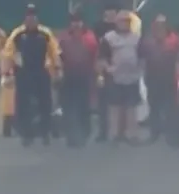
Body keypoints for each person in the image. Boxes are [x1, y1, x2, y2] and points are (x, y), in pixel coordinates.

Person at [2, 4, 60, 146]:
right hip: (23, 72)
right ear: (25, 18)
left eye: (33, 16)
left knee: (45, 103)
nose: (31, 19)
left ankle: (45, 133)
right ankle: (26, 135)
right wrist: (7, 73)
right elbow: (8, 54)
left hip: (41, 71)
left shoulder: (45, 33)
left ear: (37, 18)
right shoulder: (17, 34)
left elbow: (55, 52)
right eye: (29, 16)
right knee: (23, 105)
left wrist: (58, 70)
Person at [98, 10, 143, 144]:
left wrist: (140, 69)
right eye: (122, 21)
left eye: (127, 21)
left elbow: (142, 56)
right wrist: (108, 68)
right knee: (114, 107)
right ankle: (115, 135)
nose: (125, 23)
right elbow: (102, 57)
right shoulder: (108, 38)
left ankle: (132, 135)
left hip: (132, 77)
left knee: (131, 107)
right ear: (117, 22)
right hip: (115, 78)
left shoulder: (136, 38)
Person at [57, 12, 98, 147]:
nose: (76, 24)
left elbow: (95, 56)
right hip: (68, 77)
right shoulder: (63, 37)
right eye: (74, 21)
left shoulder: (90, 37)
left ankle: (85, 133)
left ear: (82, 22)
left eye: (78, 21)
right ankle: (71, 136)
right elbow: (57, 55)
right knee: (68, 108)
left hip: (85, 77)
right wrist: (58, 72)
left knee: (83, 107)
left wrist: (96, 74)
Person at [140, 14, 179, 143]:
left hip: (169, 79)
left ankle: (171, 134)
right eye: (158, 24)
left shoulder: (175, 39)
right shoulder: (147, 39)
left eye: (163, 24)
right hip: (152, 78)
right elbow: (141, 56)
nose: (160, 26)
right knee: (154, 107)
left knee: (170, 108)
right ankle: (154, 133)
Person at [93, 4, 118, 142]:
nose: (111, 14)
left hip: (118, 69)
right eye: (109, 11)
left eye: (113, 11)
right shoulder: (98, 27)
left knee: (117, 102)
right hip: (101, 68)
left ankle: (117, 132)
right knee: (102, 101)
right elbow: (94, 46)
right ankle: (103, 131)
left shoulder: (120, 27)